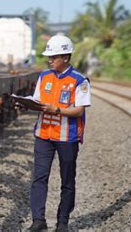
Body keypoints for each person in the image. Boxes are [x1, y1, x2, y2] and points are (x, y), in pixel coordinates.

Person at [28, 34, 91, 232]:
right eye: (49, 57)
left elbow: (79, 110)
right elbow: (37, 101)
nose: (49, 60)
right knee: (39, 178)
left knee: (67, 180)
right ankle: (38, 221)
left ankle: (62, 222)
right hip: (44, 135)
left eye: (53, 57)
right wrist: (26, 105)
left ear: (65, 57)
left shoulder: (80, 81)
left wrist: (55, 110)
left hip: (67, 137)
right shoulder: (44, 76)